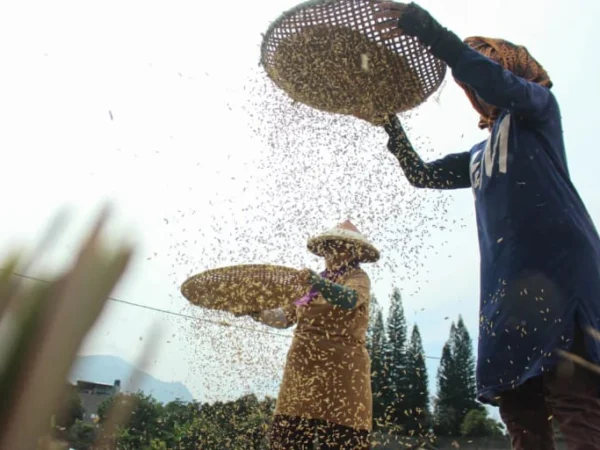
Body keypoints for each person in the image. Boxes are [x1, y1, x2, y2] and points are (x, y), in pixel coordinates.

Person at [371, 2, 600, 449]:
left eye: (488, 68)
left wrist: (431, 33)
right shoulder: (478, 154)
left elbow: (494, 80)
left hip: (561, 270)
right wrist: (389, 125)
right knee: (520, 409)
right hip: (506, 287)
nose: (478, 86)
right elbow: (422, 174)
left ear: (513, 71)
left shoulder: (537, 110)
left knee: (576, 401)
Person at [245, 220, 379, 450]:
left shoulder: (357, 278)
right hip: (302, 367)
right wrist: (256, 312)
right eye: (330, 246)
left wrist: (318, 283)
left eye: (340, 246)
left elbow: (349, 299)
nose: (333, 252)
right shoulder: (310, 284)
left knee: (343, 435)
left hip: (343, 370)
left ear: (353, 252)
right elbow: (284, 318)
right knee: (288, 435)